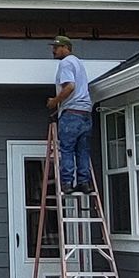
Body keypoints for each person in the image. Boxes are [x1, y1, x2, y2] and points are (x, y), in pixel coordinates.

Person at [45, 35, 93, 193]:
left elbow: (70, 86)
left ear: (66, 48)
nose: (53, 50)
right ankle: (84, 183)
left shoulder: (66, 63)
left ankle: (66, 183)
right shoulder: (78, 63)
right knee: (82, 151)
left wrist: (54, 102)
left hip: (71, 113)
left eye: (56, 47)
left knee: (67, 149)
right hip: (85, 113)